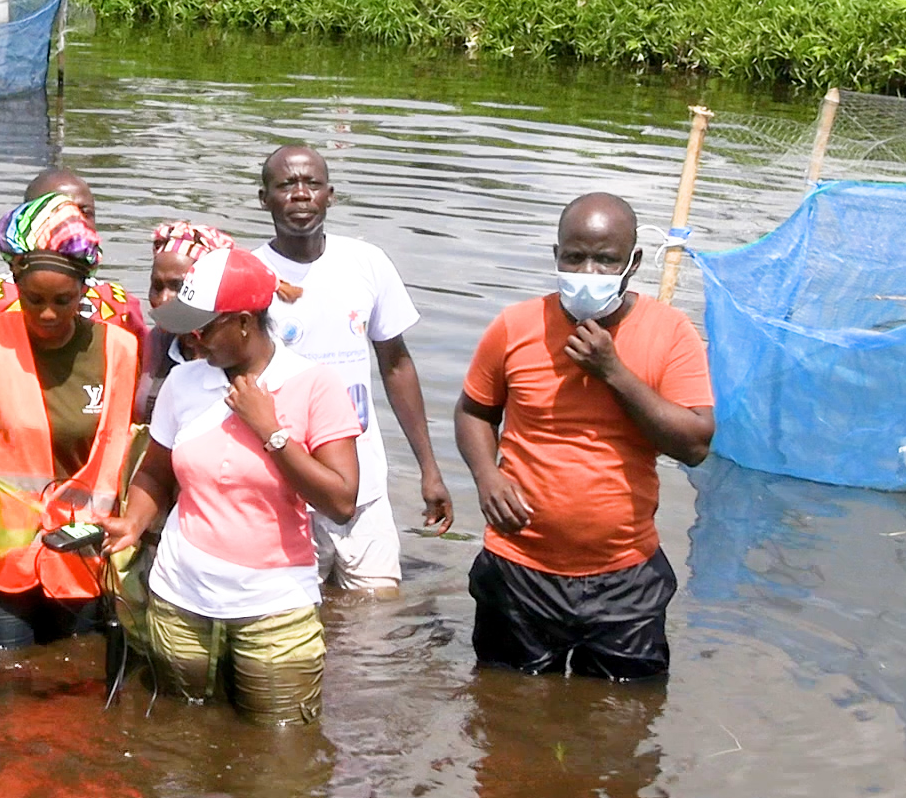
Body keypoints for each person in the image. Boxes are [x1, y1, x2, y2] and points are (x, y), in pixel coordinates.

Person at [454, 192, 714, 680]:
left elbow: (695, 445)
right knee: (505, 713)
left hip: (625, 574)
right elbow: (473, 411)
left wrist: (613, 370)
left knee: (622, 725)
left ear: (632, 263)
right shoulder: (515, 326)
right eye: (574, 257)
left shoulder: (671, 332)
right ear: (555, 256)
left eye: (605, 259)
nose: (588, 272)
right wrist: (487, 476)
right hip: (519, 568)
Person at [103, 246, 362, 724]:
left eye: (203, 327)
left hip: (275, 610)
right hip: (180, 602)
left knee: (284, 758)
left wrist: (271, 431)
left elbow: (341, 501)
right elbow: (156, 472)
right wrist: (133, 524)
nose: (191, 338)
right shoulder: (183, 384)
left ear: (244, 323)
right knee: (182, 737)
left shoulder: (314, 384)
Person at [0, 193, 141, 648]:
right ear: (14, 283)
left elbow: (134, 443)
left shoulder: (119, 349)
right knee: (6, 688)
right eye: (33, 300)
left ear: (85, 290)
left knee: (81, 688)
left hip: (84, 552)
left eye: (63, 300)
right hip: (0, 555)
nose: (48, 314)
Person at [253, 145, 453, 593]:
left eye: (312, 184)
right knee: (294, 616)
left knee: (378, 614)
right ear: (264, 198)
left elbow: (396, 364)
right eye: (286, 185)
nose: (301, 195)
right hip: (285, 488)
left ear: (331, 195)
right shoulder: (252, 276)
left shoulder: (367, 264)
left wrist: (429, 468)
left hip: (364, 486)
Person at [0, 167, 145, 365]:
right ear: (24, 221)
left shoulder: (120, 308)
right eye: (56, 213)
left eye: (85, 213)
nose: (73, 224)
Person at [139, 221, 236, 419]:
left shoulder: (236, 354)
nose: (163, 300)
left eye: (178, 287)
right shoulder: (156, 342)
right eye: (157, 286)